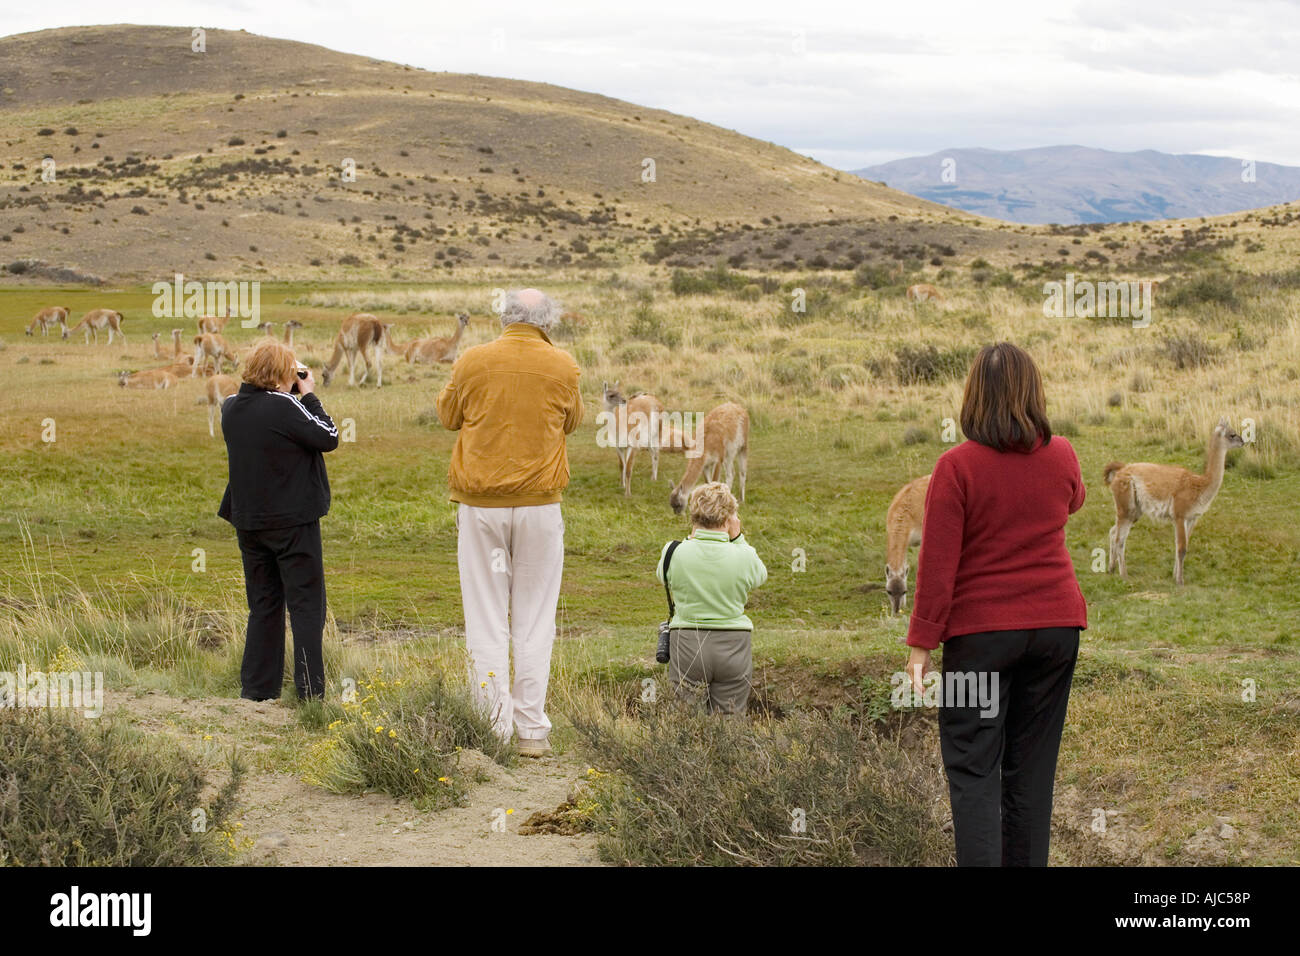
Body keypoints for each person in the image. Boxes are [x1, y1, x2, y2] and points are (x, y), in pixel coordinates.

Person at [905, 341, 1087, 867]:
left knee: (973, 770)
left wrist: (920, 645)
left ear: (973, 397)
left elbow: (938, 565)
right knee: (1031, 774)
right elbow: (1074, 499)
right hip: (1056, 630)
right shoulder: (1063, 453)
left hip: (980, 641)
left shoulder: (956, 466)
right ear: (1033, 393)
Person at [436, 289, 583, 758]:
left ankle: (492, 727)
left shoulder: (473, 361)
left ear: (504, 317)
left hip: (480, 506)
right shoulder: (563, 365)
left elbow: (446, 416)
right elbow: (573, 422)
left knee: (485, 617)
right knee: (535, 619)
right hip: (540, 505)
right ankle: (531, 733)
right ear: (547, 320)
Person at [218, 338, 339, 702]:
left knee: (264, 605)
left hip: (250, 522)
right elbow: (328, 436)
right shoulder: (285, 405)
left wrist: (289, 381)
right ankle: (309, 693)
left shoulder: (230, 407)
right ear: (279, 375)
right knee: (305, 606)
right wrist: (310, 393)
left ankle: (257, 689)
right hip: (292, 522)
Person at [656, 481, 767, 714]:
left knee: (685, 722)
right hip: (734, 645)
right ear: (729, 520)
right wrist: (738, 539)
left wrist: (692, 538)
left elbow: (662, 576)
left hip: (688, 642)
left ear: (693, 517)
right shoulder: (744, 556)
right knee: (731, 722)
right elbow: (760, 576)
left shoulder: (673, 552)